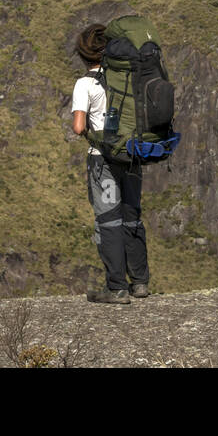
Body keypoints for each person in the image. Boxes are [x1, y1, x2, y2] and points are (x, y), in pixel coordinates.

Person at [70, 23, 150, 304]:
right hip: (132, 155)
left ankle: (117, 288)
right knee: (132, 215)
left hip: (103, 160)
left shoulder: (85, 84)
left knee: (109, 219)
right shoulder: (128, 77)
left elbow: (79, 127)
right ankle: (140, 283)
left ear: (84, 55)